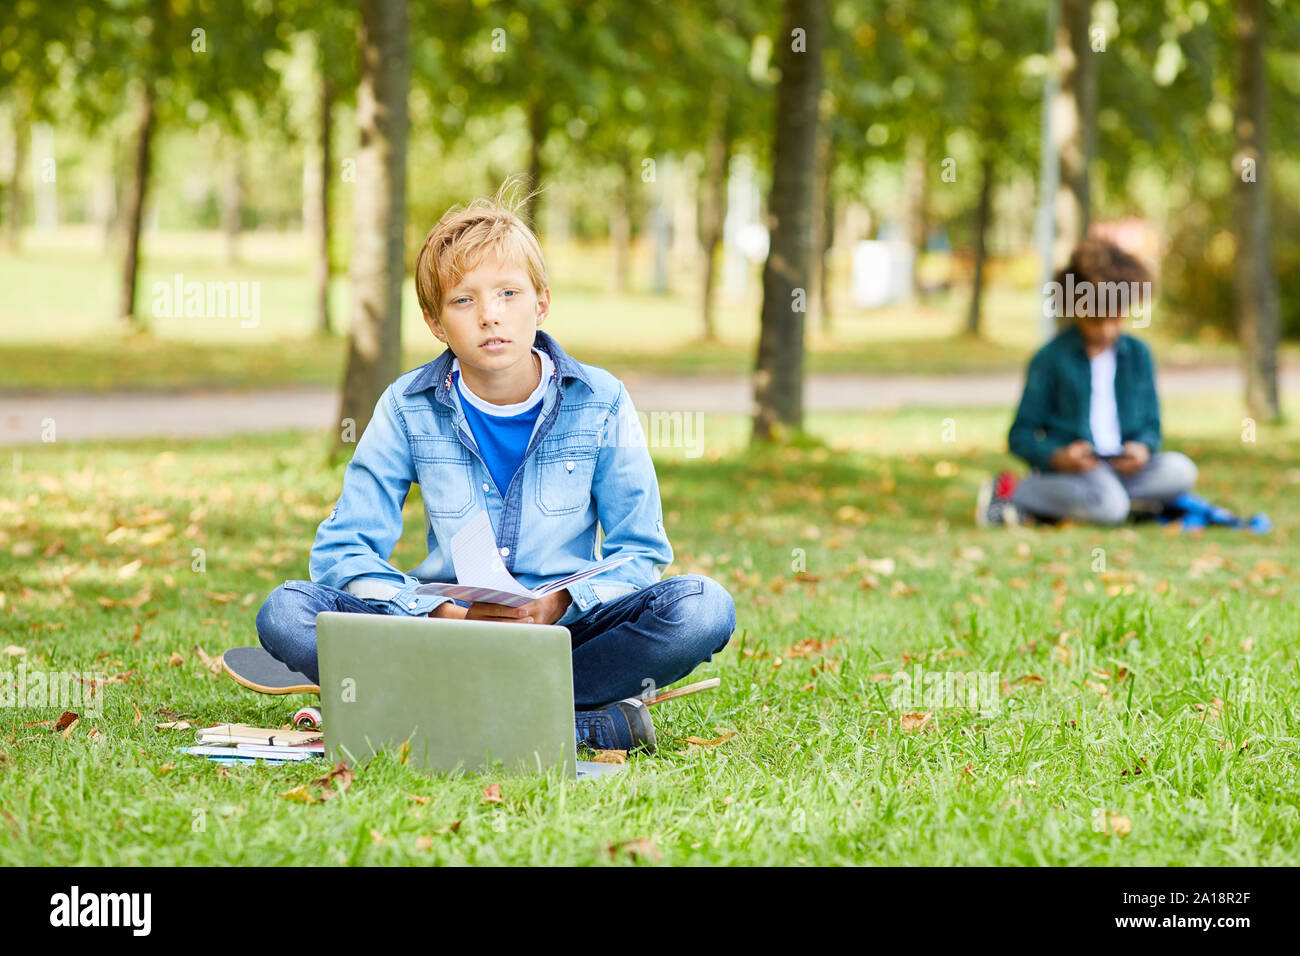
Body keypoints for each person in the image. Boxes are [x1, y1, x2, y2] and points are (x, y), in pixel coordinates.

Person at [254, 186, 736, 754]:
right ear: (436, 323)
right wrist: (444, 611)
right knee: (285, 611)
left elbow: (641, 553)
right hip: (442, 632)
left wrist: (555, 605)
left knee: (703, 608)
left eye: (508, 293)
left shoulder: (600, 400)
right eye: (463, 301)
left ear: (542, 303)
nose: (490, 315)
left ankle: (435, 709)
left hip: (565, 632)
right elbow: (342, 552)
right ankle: (573, 721)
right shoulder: (407, 406)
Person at [978, 237, 1197, 527]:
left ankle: (1075, 502)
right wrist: (1057, 457)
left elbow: (1151, 426)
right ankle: (1013, 490)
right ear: (1077, 309)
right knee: (1110, 507)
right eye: (1097, 320)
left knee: (1181, 471)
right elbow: (1021, 435)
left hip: (1121, 469)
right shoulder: (1050, 359)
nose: (1107, 330)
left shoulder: (1138, 355)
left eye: (1116, 318)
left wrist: (1142, 448)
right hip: (1075, 470)